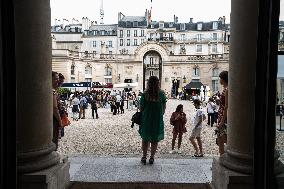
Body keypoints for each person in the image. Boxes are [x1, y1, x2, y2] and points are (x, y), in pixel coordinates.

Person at [139, 76, 167, 165]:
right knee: (154, 139)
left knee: (145, 138)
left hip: (146, 119)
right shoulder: (162, 94)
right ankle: (152, 157)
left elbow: (141, 108)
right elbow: (164, 109)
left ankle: (144, 156)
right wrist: (158, 114)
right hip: (157, 119)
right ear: (158, 83)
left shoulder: (145, 94)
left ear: (148, 83)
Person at [216, 71, 228, 155]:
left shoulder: (227, 90)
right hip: (221, 115)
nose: (219, 80)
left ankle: (224, 158)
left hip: (223, 117)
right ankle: (222, 158)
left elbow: (226, 106)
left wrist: (222, 121)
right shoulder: (225, 89)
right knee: (220, 138)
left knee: (223, 138)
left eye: (220, 78)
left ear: (223, 79)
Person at [52, 71, 62, 151]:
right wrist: (60, 121)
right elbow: (54, 108)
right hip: (53, 119)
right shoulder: (53, 92)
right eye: (56, 79)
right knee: (54, 138)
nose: (58, 81)